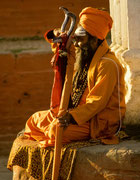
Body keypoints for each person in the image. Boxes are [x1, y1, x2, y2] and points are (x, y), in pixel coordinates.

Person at [24, 7, 126, 147]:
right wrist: (56, 33)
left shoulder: (107, 64)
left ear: (95, 40)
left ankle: (50, 135)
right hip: (73, 113)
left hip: (95, 121)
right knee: (33, 120)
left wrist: (71, 117)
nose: (76, 44)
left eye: (80, 40)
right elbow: (62, 49)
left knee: (55, 131)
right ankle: (50, 133)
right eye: (76, 40)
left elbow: (97, 102)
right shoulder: (83, 52)